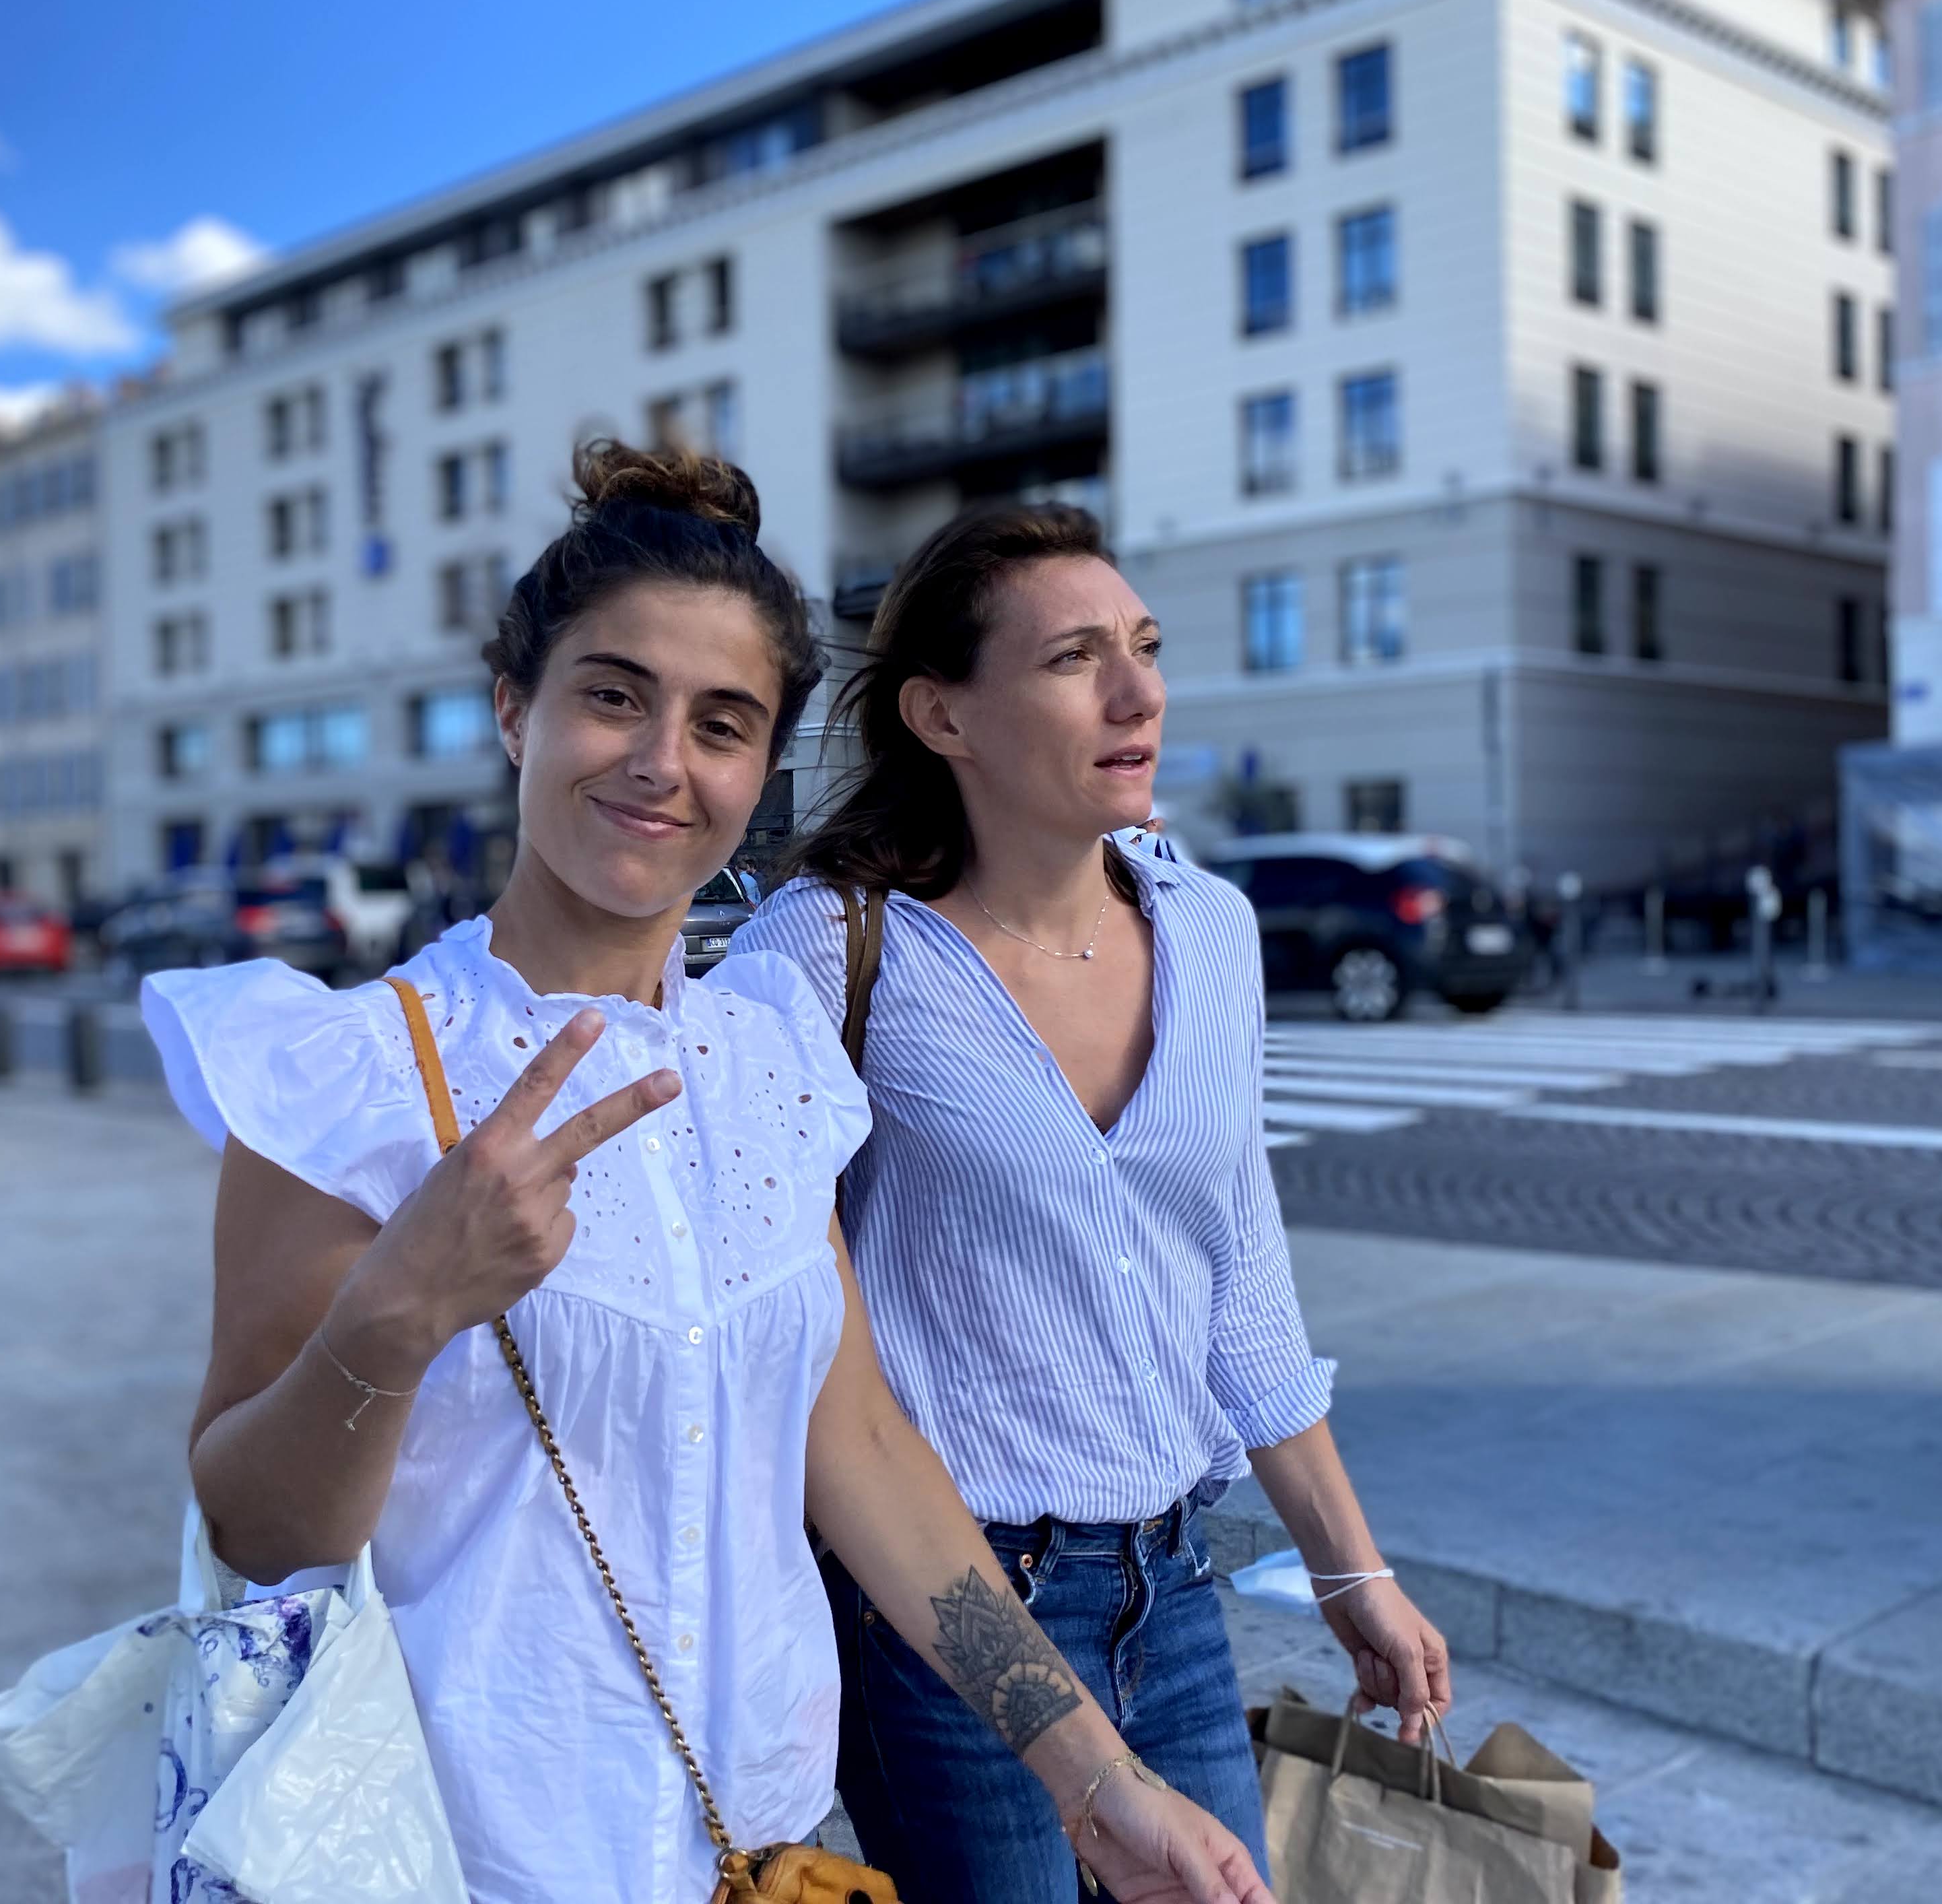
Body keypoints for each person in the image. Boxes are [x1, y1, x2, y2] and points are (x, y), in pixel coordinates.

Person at [143, 443, 1273, 1904]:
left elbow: (864, 1454)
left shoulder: (770, 1056)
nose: (662, 761)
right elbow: (255, 1527)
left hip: (762, 1854)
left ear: (762, 771)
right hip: (465, 1860)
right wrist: (398, 1312)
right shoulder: (346, 1071)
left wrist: (1094, 1776)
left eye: (722, 723)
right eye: (614, 696)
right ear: (514, 708)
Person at [728, 502, 1451, 1901]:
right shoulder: (822, 952)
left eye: (1145, 646)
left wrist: (1352, 1572)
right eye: (1073, 659)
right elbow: (794, 1351)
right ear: (942, 715)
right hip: (942, 1611)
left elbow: (1241, 1276)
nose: (1139, 693)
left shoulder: (1212, 930)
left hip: (1171, 1586)